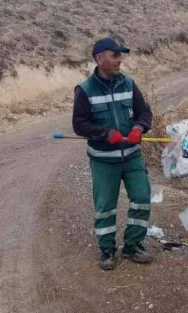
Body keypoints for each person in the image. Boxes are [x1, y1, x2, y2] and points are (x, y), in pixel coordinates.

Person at [72, 37, 154, 271]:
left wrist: (139, 128)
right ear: (99, 59)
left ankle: (133, 245)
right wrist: (105, 133)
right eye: (115, 55)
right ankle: (107, 249)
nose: (120, 60)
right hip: (103, 161)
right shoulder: (85, 90)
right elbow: (79, 125)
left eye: (121, 55)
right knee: (105, 206)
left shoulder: (128, 84)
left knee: (142, 197)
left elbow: (144, 113)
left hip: (132, 156)